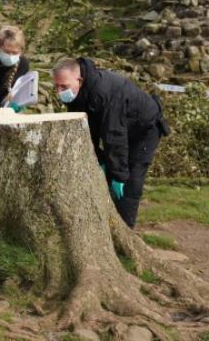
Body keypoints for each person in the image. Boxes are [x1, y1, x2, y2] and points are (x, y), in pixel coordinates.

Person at [51, 58, 170, 229]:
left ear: (79, 80)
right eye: (57, 86)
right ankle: (105, 222)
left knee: (130, 180)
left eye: (64, 86)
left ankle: (125, 231)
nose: (60, 91)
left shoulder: (103, 91)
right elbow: (84, 130)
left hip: (145, 128)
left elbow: (114, 134)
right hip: (121, 127)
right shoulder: (77, 94)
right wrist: (99, 158)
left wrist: (119, 174)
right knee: (107, 171)